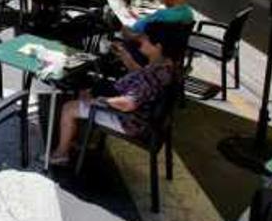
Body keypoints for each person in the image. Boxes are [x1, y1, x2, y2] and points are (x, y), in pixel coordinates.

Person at [51, 22, 180, 165]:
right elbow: (141, 77)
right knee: (85, 91)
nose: (140, 39)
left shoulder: (153, 76)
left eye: (145, 38)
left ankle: (61, 154)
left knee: (69, 108)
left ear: (158, 47)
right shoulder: (166, 65)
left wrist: (98, 101)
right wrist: (126, 57)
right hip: (144, 115)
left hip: (131, 121)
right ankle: (74, 138)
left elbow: (128, 104)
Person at [123, 0, 194, 37]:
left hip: (146, 45)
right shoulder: (189, 13)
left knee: (124, 28)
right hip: (172, 48)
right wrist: (140, 18)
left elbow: (137, 27)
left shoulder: (161, 14)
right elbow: (151, 23)